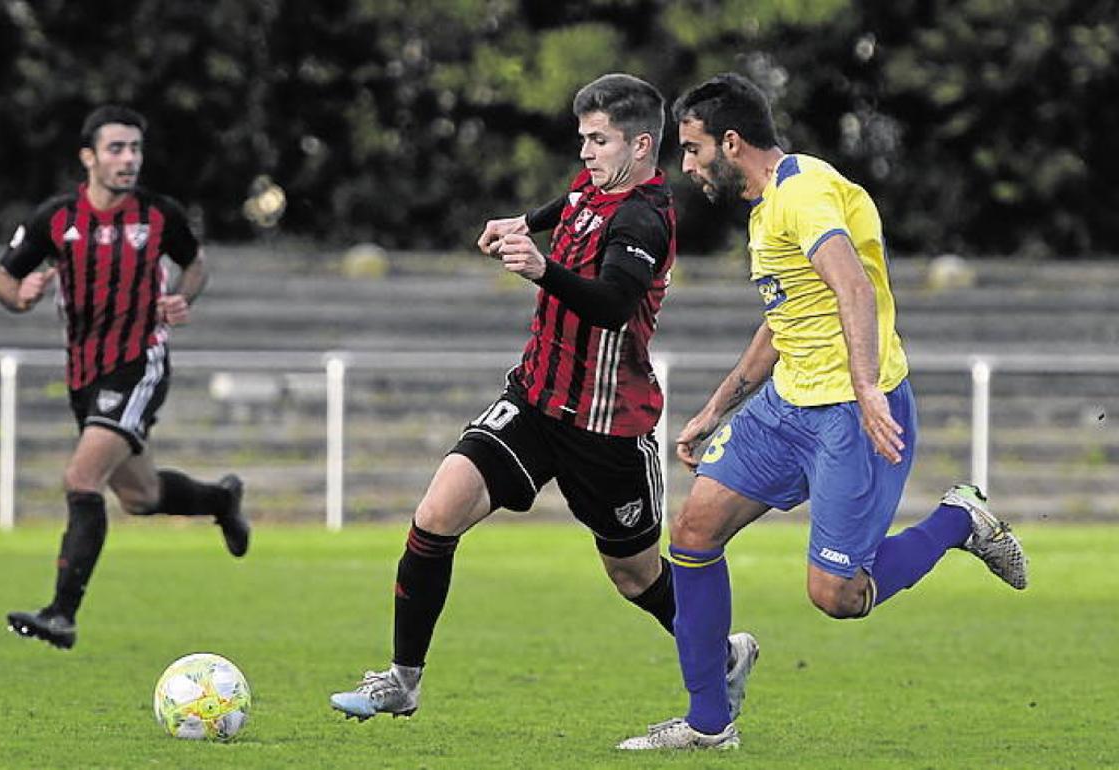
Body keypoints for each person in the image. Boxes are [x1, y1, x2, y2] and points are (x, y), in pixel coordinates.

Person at [617, 73, 1029, 751]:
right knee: (692, 533)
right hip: (788, 406)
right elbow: (788, 321)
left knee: (836, 595)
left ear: (730, 141)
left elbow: (852, 288)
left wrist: (866, 388)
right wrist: (716, 409)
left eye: (692, 151)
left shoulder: (802, 195)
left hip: (851, 413)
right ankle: (708, 724)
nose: (685, 167)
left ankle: (960, 521)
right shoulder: (769, 204)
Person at [329, 72, 708, 720]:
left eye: (599, 140)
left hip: (607, 427)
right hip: (534, 400)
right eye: (582, 139)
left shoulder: (644, 217)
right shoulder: (597, 184)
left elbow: (615, 305)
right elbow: (571, 203)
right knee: (436, 513)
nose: (585, 153)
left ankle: (718, 653)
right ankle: (402, 679)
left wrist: (542, 268)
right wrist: (523, 222)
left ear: (641, 147)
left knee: (635, 577)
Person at [0, 105, 250, 651]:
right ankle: (222, 501)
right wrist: (20, 297)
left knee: (81, 480)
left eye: (135, 149)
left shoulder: (160, 215)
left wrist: (183, 295)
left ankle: (61, 615)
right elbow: (5, 277)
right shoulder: (57, 218)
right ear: (88, 157)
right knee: (140, 496)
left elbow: (197, 263)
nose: (128, 159)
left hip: (138, 363)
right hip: (83, 372)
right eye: (116, 148)